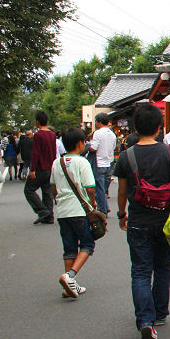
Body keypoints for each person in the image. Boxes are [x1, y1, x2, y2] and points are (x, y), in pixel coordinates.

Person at [114, 103, 170, 339]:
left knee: (141, 271)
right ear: (159, 128)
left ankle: (145, 320)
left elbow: (121, 190)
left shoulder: (127, 156)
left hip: (138, 220)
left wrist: (121, 214)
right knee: (163, 267)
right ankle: (160, 312)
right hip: (165, 220)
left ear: (136, 127)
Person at [49, 128, 97, 299]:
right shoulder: (82, 162)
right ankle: (69, 276)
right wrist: (92, 203)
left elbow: (53, 187)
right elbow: (90, 188)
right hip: (79, 210)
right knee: (87, 245)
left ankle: (69, 285)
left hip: (63, 211)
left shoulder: (57, 162)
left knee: (69, 248)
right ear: (80, 144)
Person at [24, 112, 57, 224]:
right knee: (47, 191)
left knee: (29, 190)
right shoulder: (52, 135)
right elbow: (54, 152)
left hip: (40, 167)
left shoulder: (38, 135)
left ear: (37, 121)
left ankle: (42, 211)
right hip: (50, 167)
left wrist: (33, 169)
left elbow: (36, 153)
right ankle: (49, 216)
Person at [90, 113, 116, 214]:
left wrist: (88, 146)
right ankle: (105, 206)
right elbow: (113, 147)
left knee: (99, 188)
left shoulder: (98, 133)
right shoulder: (112, 134)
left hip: (99, 163)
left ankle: (102, 209)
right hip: (108, 163)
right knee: (103, 187)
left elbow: (93, 148)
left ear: (99, 122)